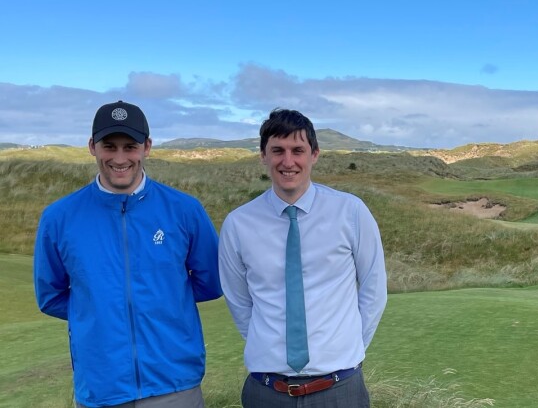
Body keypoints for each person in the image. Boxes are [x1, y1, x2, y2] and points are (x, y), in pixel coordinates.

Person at [33, 100, 222, 408]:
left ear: (147, 147)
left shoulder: (185, 210)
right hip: (101, 388)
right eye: (109, 146)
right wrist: (103, 312)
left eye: (130, 146)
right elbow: (50, 295)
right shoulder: (59, 218)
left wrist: (162, 305)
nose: (119, 158)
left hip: (175, 385)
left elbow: (211, 282)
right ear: (92, 146)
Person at [218, 108, 387, 407]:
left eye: (298, 150)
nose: (288, 161)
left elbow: (374, 290)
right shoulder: (238, 223)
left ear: (315, 155)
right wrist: (268, 347)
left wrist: (346, 350)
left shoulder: (351, 212)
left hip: (340, 390)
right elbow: (239, 302)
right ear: (263, 155)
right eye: (277, 150)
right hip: (266, 392)